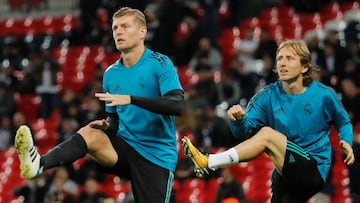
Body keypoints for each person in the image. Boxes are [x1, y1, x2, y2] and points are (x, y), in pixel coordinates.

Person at [14, 7, 184, 203]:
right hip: (126, 146)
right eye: (115, 28)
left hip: (156, 157)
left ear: (142, 32)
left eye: (125, 26)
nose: (118, 32)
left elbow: (176, 104)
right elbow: (115, 120)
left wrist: (132, 99)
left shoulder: (160, 63)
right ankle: (39, 164)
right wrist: (107, 125)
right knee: (90, 133)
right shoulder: (111, 74)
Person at [182, 39, 355, 203]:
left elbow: (344, 122)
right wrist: (238, 121)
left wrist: (346, 141)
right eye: (279, 58)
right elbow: (243, 132)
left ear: (304, 67)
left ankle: (209, 161)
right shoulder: (267, 96)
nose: (282, 62)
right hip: (286, 173)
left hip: (314, 169)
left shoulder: (323, 95)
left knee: (267, 135)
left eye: (289, 58)